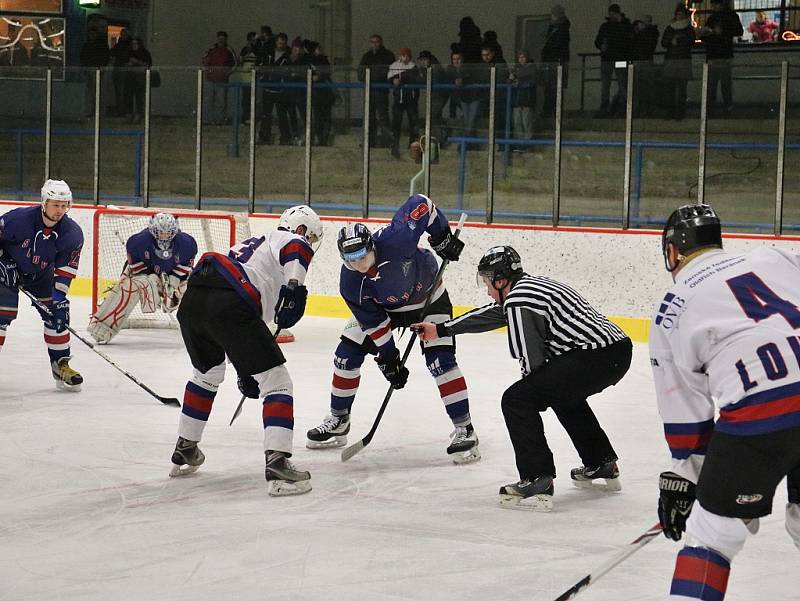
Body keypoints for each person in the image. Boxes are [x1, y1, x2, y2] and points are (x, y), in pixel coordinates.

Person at [651, 204, 800, 599]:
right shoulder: (775, 258)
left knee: (711, 537)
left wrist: (686, 477)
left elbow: (685, 411)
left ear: (672, 252)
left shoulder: (673, 305)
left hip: (763, 413)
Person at [413, 246, 631, 511]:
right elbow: (494, 314)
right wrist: (442, 329)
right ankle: (602, 462)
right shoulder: (529, 287)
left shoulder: (518, 300)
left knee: (517, 400)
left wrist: (531, 392)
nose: (487, 289)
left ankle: (537, 477)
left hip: (593, 357)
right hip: (616, 350)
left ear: (501, 279)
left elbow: (532, 362)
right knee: (564, 395)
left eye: (487, 281)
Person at [305, 194, 480, 465]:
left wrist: (440, 237)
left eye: (363, 257)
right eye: (351, 261)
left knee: (440, 361)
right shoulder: (350, 283)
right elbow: (373, 322)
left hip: (429, 299)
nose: (360, 265)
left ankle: (465, 427)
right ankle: (339, 418)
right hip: (387, 312)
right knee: (345, 355)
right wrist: (389, 358)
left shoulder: (396, 239)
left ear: (372, 246)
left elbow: (422, 203)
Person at [169, 205, 324, 497]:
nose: (309, 244)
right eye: (311, 238)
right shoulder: (288, 238)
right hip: (230, 302)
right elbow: (298, 248)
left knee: (206, 375)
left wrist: (245, 368)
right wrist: (295, 287)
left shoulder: (254, 248)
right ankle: (278, 464)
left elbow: (232, 329)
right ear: (301, 229)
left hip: (195, 302)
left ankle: (186, 447)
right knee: (277, 382)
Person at [0, 179, 84, 391]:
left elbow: (65, 270)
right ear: (44, 202)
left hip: (40, 274)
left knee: (57, 316)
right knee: (2, 314)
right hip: (6, 271)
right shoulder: (18, 220)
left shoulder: (72, 233)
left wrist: (59, 299)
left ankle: (61, 365)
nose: (60, 210)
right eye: (56, 204)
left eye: (64, 205)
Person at [87, 213, 198, 344]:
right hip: (144, 273)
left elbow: (185, 268)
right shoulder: (138, 242)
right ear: (152, 230)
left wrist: (172, 285)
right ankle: (102, 327)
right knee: (126, 289)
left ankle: (198, 330)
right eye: (160, 232)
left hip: (173, 274)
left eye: (168, 232)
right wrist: (154, 283)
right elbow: (137, 270)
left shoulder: (186, 243)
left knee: (193, 292)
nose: (164, 236)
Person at [698, 0, 743, 117]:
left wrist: (720, 32)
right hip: (719, 54)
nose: (714, 6)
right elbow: (738, 31)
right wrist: (705, 34)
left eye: (715, 4)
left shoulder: (718, 18)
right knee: (716, 85)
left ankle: (720, 108)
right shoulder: (716, 17)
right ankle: (720, 108)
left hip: (719, 54)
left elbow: (739, 31)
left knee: (720, 85)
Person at [594, 3, 633, 117]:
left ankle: (621, 107)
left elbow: (629, 36)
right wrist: (601, 46)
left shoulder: (624, 25)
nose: (612, 16)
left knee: (621, 83)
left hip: (619, 59)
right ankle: (605, 107)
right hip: (608, 59)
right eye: (610, 14)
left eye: (614, 14)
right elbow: (597, 41)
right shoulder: (605, 26)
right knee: (606, 85)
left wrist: (622, 23)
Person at [358, 34, 395, 147]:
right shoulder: (366, 56)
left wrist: (373, 76)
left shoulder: (387, 55)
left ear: (381, 42)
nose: (374, 44)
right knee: (369, 116)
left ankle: (386, 141)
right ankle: (369, 141)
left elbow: (389, 71)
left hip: (381, 90)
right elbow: (360, 74)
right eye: (372, 42)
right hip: (369, 90)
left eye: (376, 42)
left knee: (383, 116)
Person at [661, 4, 696, 121]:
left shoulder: (688, 28)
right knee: (669, 87)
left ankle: (680, 112)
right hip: (672, 59)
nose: (679, 16)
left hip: (682, 59)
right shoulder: (670, 28)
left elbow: (691, 42)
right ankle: (670, 111)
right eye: (677, 14)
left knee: (681, 88)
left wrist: (678, 41)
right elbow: (663, 42)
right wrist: (671, 41)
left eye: (681, 14)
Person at [387, 47, 418, 159]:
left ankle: (413, 148)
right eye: (403, 55)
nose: (405, 57)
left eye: (407, 55)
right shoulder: (394, 66)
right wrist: (394, 80)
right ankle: (395, 148)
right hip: (398, 100)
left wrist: (401, 78)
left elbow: (414, 78)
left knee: (413, 124)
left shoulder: (413, 66)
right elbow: (389, 78)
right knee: (396, 125)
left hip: (410, 100)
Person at [540, 4, 570, 119]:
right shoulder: (555, 28)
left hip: (556, 63)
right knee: (550, 88)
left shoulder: (561, 29)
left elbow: (558, 46)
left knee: (554, 89)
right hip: (552, 63)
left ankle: (551, 111)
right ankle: (550, 110)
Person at [202, 31, 237, 125]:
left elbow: (235, 64)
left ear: (226, 39)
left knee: (221, 102)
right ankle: (207, 120)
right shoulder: (211, 49)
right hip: (210, 79)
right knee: (208, 101)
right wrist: (208, 70)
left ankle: (219, 121)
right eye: (219, 38)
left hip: (222, 80)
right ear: (217, 38)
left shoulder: (229, 50)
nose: (221, 40)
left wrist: (227, 73)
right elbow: (204, 60)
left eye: (223, 38)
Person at [79, 26, 109, 117]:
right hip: (89, 69)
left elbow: (105, 57)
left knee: (95, 90)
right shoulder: (87, 44)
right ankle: (94, 110)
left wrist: (102, 67)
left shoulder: (100, 45)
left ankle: (97, 111)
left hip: (96, 69)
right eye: (90, 34)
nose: (91, 35)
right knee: (91, 90)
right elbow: (83, 56)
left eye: (93, 34)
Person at [125, 37, 152, 124]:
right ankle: (129, 115)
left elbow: (148, 64)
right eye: (132, 44)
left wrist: (137, 62)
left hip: (140, 78)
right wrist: (128, 65)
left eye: (135, 44)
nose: (134, 45)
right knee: (128, 96)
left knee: (139, 97)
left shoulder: (145, 53)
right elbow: (124, 64)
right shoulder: (129, 52)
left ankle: (138, 115)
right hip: (130, 77)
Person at [109, 29, 132, 117]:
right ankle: (121, 110)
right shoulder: (119, 45)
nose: (124, 36)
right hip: (119, 70)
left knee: (124, 91)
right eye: (123, 34)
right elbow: (111, 53)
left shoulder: (128, 45)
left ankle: (124, 110)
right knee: (120, 91)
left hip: (125, 71)